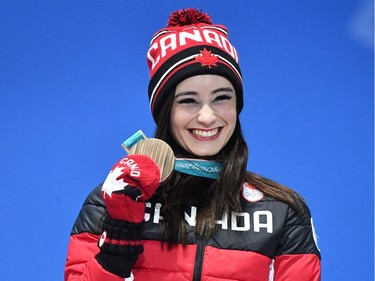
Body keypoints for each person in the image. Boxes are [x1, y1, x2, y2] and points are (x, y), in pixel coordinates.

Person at [64, 8, 321, 281]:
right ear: (166, 111)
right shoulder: (112, 201)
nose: (208, 116)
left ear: (237, 106)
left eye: (222, 98)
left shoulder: (282, 212)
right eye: (188, 100)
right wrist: (118, 242)